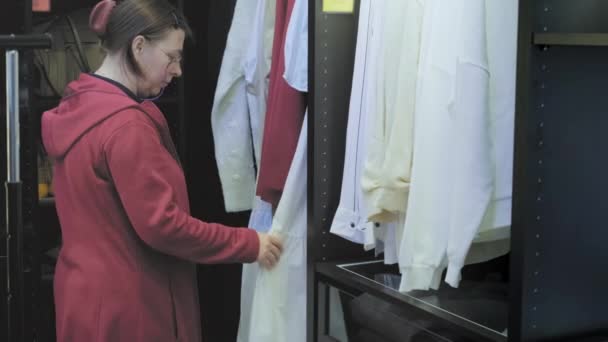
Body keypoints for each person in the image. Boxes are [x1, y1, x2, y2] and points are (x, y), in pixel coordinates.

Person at [40, 0, 284, 341]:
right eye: (172, 56)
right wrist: (247, 243)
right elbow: (163, 226)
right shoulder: (126, 127)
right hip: (131, 308)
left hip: (84, 297)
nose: (177, 69)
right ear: (139, 46)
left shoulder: (78, 105)